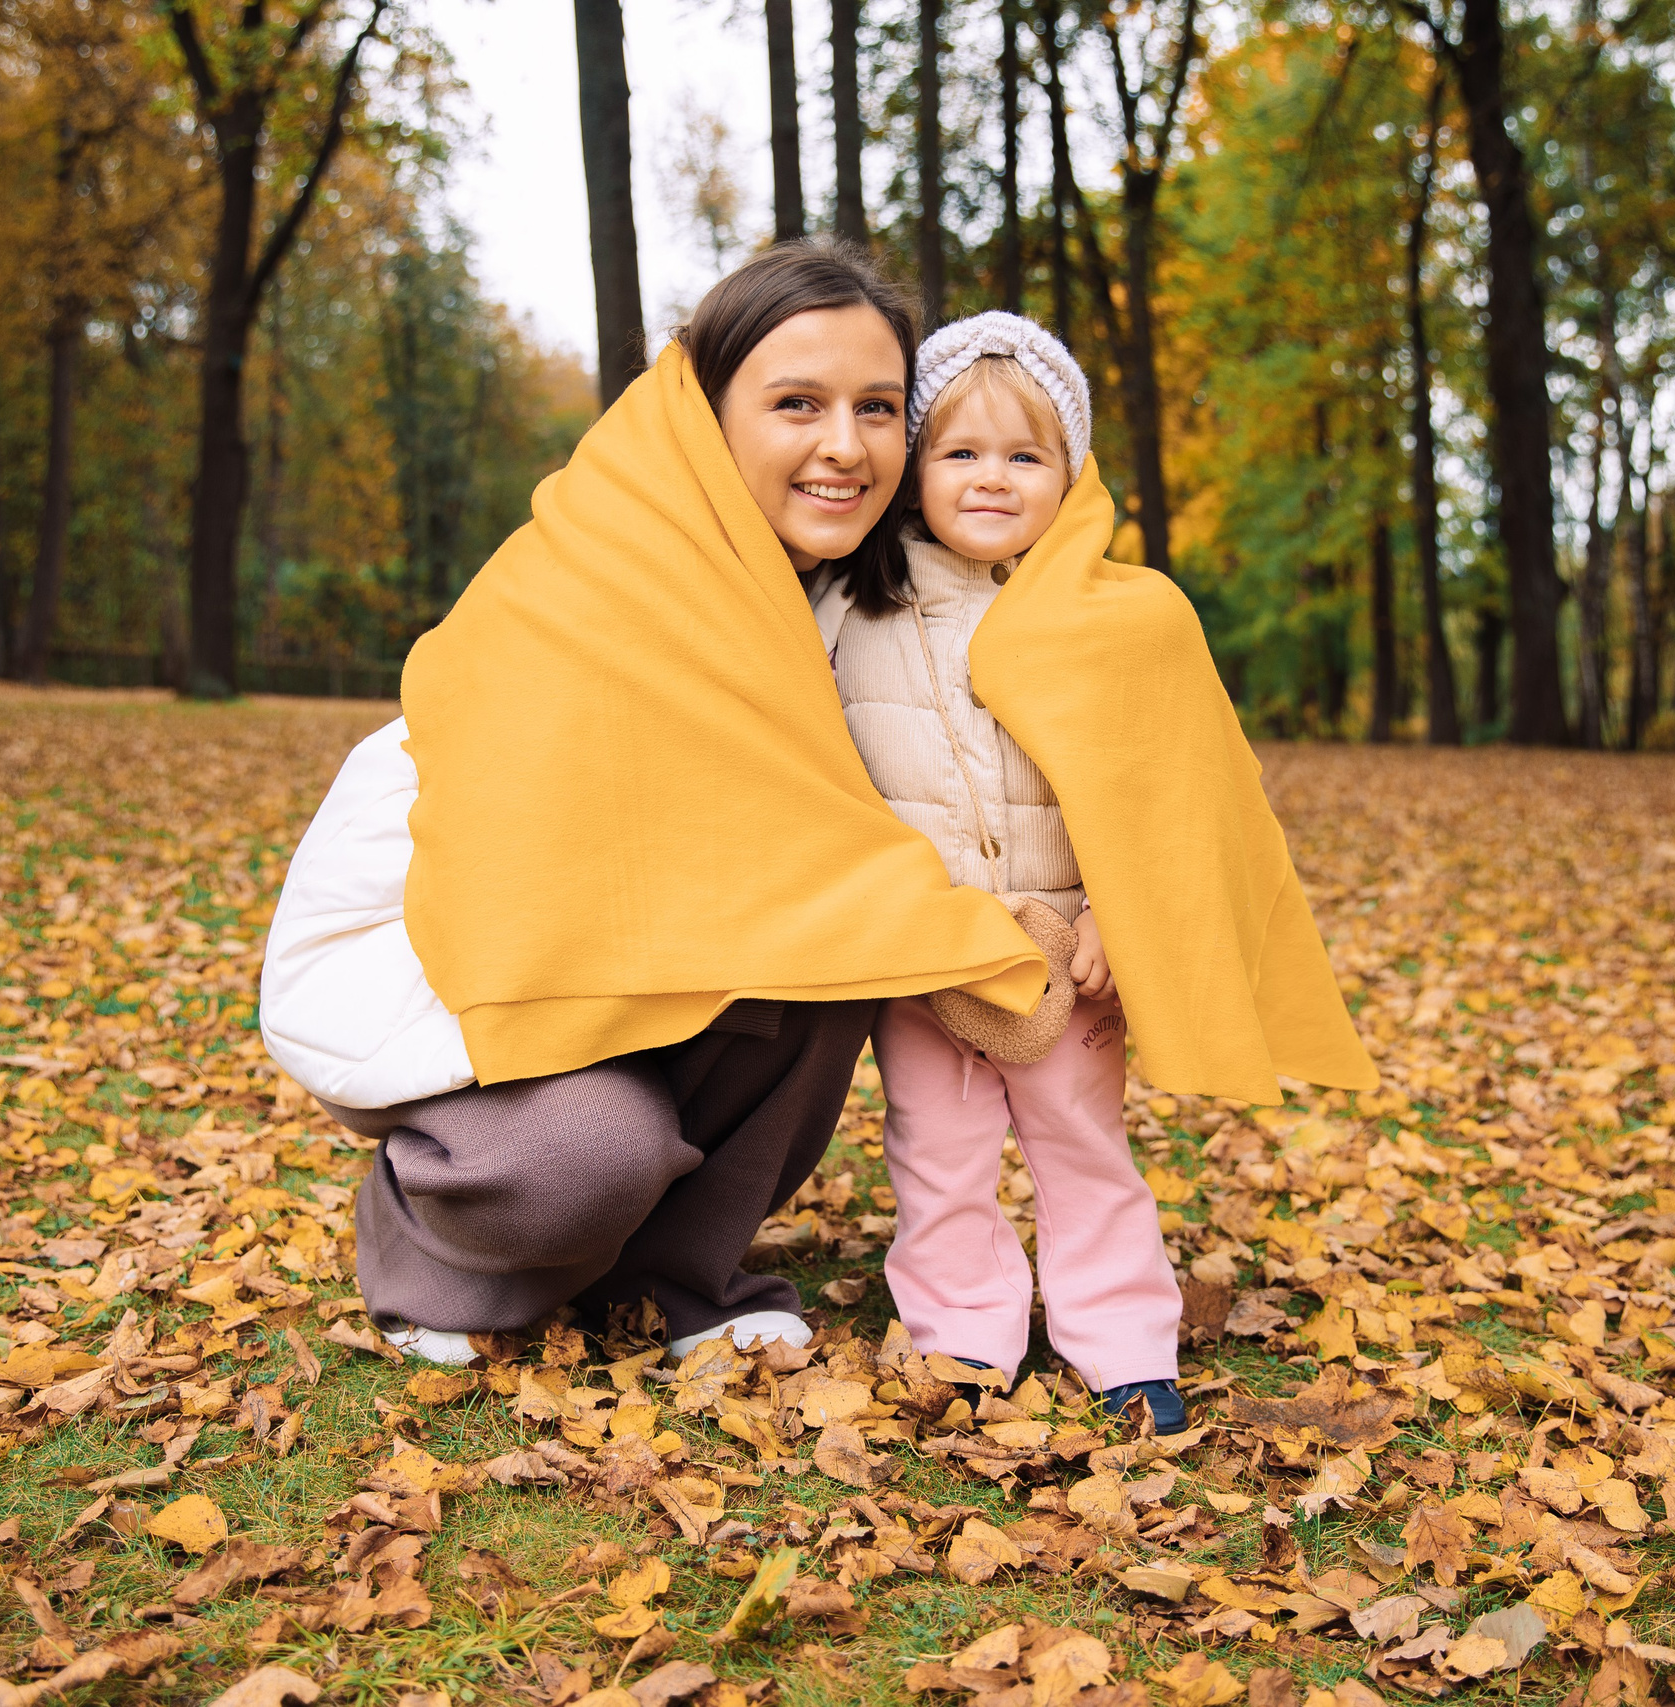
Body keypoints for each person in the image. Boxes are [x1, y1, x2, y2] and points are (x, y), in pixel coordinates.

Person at [257, 247, 1048, 1369]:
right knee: (589, 1155)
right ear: (705, 417)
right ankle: (430, 1240)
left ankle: (681, 1275)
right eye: (795, 404)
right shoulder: (599, 572)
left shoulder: (868, 602)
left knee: (838, 940)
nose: (844, 444)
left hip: (667, 974)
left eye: (877, 408)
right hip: (476, 992)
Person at [829, 313, 1378, 1432]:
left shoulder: (1122, 616)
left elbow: (1167, 795)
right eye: (960, 453)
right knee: (936, 1149)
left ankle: (1122, 1339)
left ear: (1070, 474)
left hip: (1064, 943)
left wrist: (1122, 921)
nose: (992, 479)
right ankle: (962, 1336)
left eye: (1025, 456)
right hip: (924, 946)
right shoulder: (853, 607)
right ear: (913, 468)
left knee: (1082, 1146)